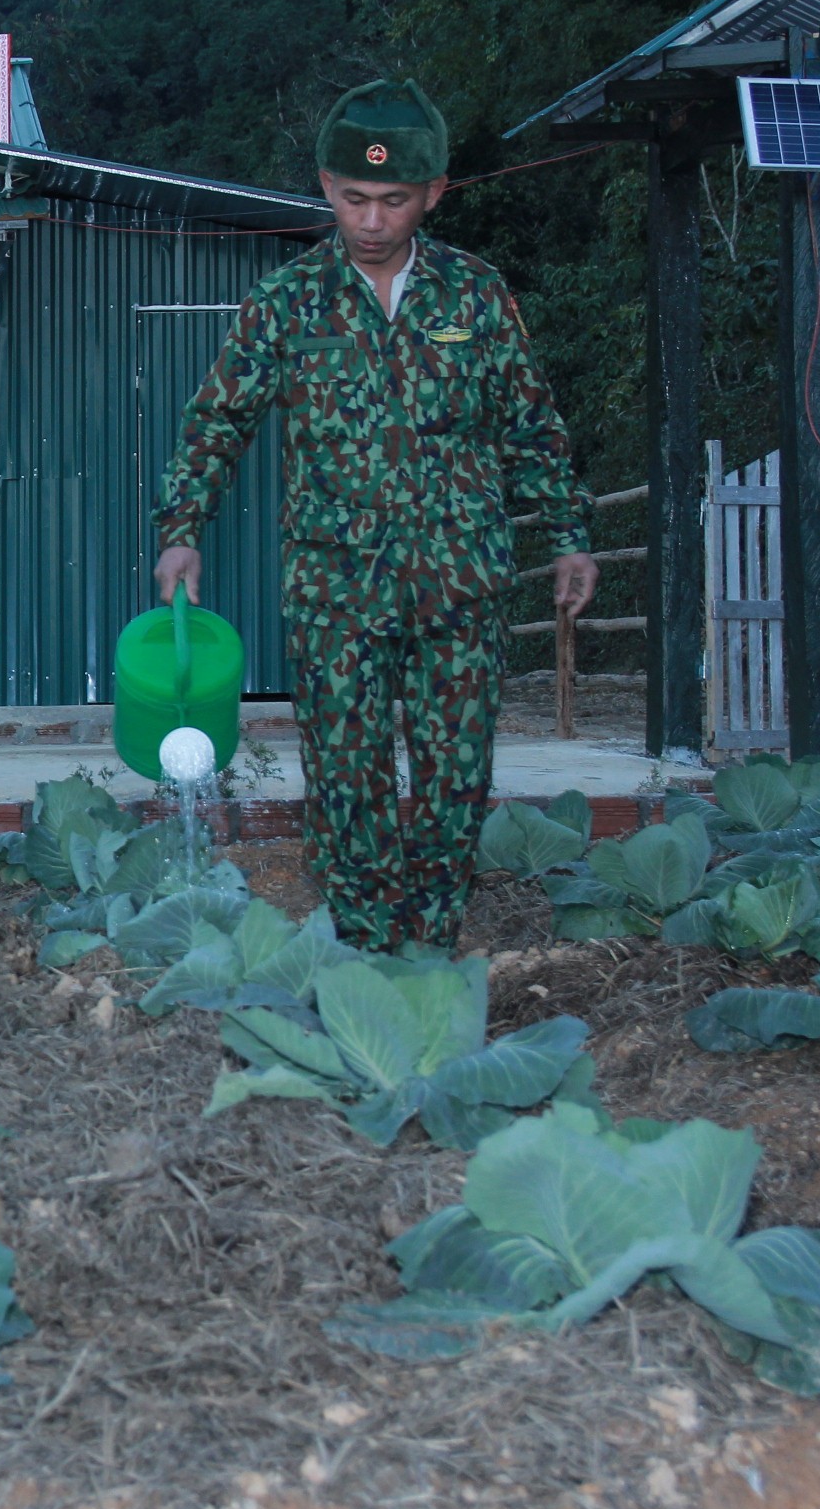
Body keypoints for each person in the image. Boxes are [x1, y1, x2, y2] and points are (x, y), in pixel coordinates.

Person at [151, 78, 597, 952]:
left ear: (433, 194)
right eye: (354, 197)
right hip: (337, 587)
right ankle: (361, 945)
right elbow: (216, 421)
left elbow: (530, 423)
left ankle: (428, 943)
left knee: (454, 776)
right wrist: (181, 530)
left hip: (458, 583)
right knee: (348, 777)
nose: (372, 220)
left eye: (395, 200)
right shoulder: (286, 305)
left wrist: (569, 533)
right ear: (326, 186)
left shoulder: (477, 296)